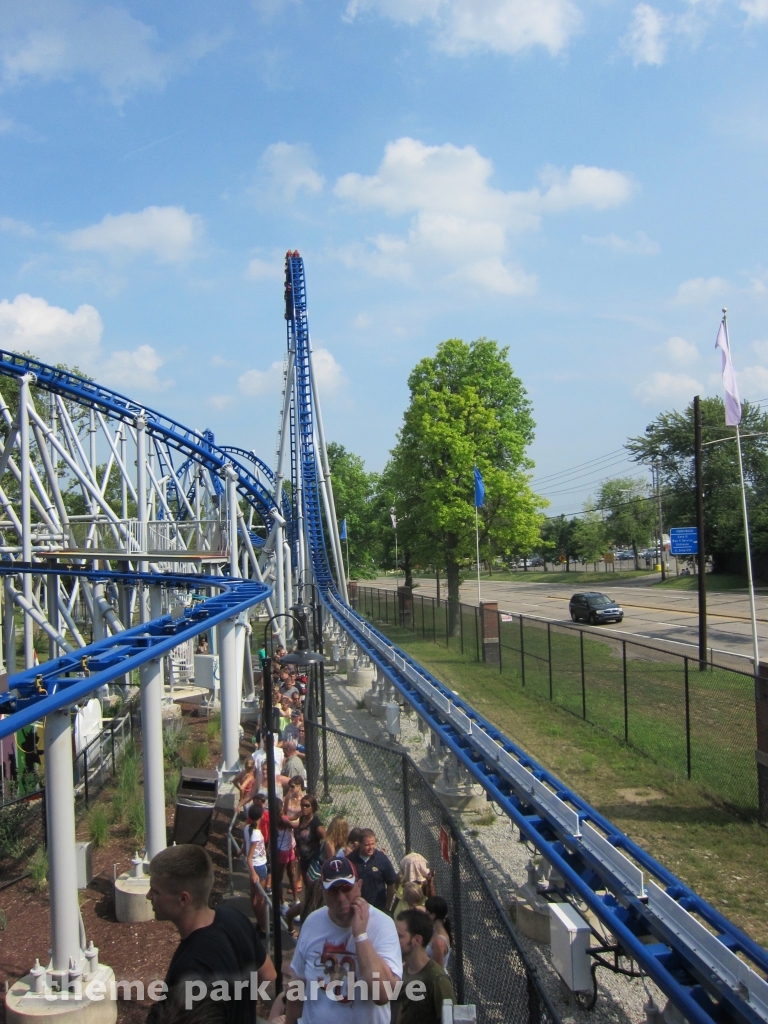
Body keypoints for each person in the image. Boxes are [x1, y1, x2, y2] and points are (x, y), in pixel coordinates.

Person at [146, 845, 276, 1024]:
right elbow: (268, 974)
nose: (148, 895)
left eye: (155, 891)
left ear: (183, 899)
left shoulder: (190, 968)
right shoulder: (234, 918)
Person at [286, 855, 402, 1024]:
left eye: (346, 888)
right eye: (333, 891)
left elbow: (383, 995)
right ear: (324, 894)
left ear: (359, 886)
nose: (340, 898)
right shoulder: (313, 922)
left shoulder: (383, 925)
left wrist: (361, 936)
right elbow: (297, 986)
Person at [395, 909, 454, 1024]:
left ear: (417, 940)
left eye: (399, 936)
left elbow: (450, 1018)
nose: (393, 940)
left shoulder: (437, 980)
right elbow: (404, 1008)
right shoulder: (405, 970)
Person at [348, 829, 397, 913]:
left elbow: (390, 884)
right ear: (359, 843)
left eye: (373, 844)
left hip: (378, 909)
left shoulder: (382, 859)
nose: (371, 847)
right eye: (367, 845)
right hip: (356, 909)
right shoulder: (350, 860)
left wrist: (387, 907)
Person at [243, 804, 268, 933]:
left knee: (254, 897)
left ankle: (260, 923)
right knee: (261, 899)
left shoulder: (247, 828)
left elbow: (245, 846)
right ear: (261, 816)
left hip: (255, 866)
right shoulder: (257, 833)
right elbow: (249, 857)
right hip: (258, 866)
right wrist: (253, 873)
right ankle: (263, 926)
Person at [274, 796, 300, 907]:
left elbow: (293, 817)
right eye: (281, 807)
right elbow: (295, 824)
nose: (282, 809)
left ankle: (296, 899)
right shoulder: (281, 821)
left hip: (289, 849)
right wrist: (305, 819)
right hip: (283, 851)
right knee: (280, 877)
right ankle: (283, 902)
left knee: (291, 873)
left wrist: (301, 813)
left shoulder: (283, 818)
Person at [294, 795, 326, 884]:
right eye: (302, 805)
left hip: (313, 861)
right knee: (307, 886)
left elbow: (327, 840)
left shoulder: (316, 824)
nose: (304, 808)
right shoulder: (302, 818)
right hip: (303, 859)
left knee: (313, 886)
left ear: (313, 807)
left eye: (307, 805)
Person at [424, 896, 453, 970]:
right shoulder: (434, 930)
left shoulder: (439, 942)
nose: (424, 913)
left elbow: (438, 970)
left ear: (433, 916)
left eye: (426, 912)